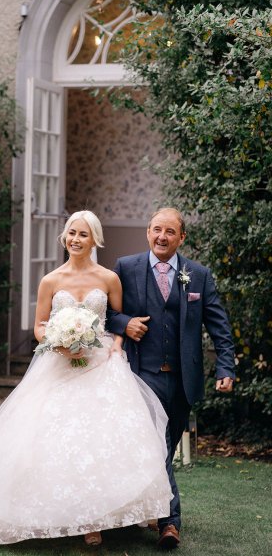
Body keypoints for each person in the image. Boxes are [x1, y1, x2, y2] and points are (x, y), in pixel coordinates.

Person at [0, 210, 173, 547]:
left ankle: (97, 520)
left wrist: (117, 347)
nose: (75, 240)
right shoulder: (51, 280)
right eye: (70, 233)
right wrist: (59, 341)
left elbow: (116, 320)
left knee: (99, 440)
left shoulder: (109, 278)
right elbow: (39, 326)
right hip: (59, 363)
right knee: (54, 439)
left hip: (100, 364)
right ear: (64, 237)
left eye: (82, 234)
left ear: (94, 239)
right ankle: (69, 517)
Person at [106, 207, 235, 549]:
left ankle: (138, 512)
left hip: (181, 380)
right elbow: (105, 311)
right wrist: (124, 324)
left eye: (169, 232)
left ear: (182, 237)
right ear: (147, 232)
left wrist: (226, 368)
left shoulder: (199, 275)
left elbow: (219, 325)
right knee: (158, 449)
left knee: (163, 447)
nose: (162, 237)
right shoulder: (126, 267)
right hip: (139, 376)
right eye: (156, 230)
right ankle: (170, 522)